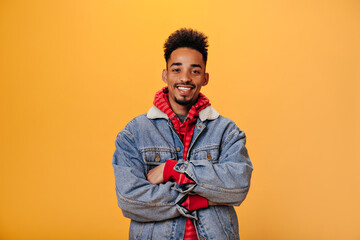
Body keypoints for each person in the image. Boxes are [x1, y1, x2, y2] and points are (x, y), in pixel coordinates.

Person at [112, 28, 253, 240]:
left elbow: (238, 185)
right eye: (176, 70)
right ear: (165, 74)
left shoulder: (227, 131)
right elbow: (130, 199)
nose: (185, 78)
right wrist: (201, 198)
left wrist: (174, 170)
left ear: (205, 78)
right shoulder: (134, 133)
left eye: (194, 71)